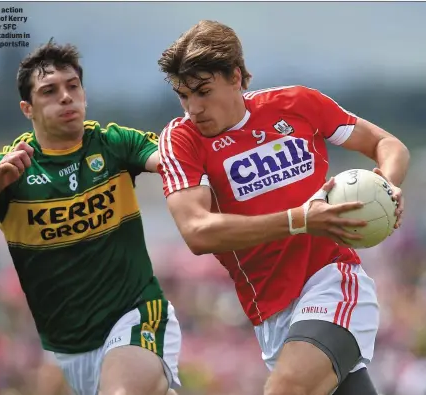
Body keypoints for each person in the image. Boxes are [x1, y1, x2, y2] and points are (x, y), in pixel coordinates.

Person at [156, 20, 410, 395]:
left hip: (334, 284)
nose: (194, 108)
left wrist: (386, 185)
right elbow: (197, 231)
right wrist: (301, 220)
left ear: (236, 77)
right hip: (271, 314)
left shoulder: (296, 104)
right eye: (183, 96)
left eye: (203, 92)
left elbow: (388, 145)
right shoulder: (181, 141)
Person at [0, 39, 181, 395]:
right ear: (28, 108)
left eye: (73, 87)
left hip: (135, 315)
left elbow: (170, 161)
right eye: (49, 91)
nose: (66, 97)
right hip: (64, 349)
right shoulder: (4, 168)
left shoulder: (114, 143)